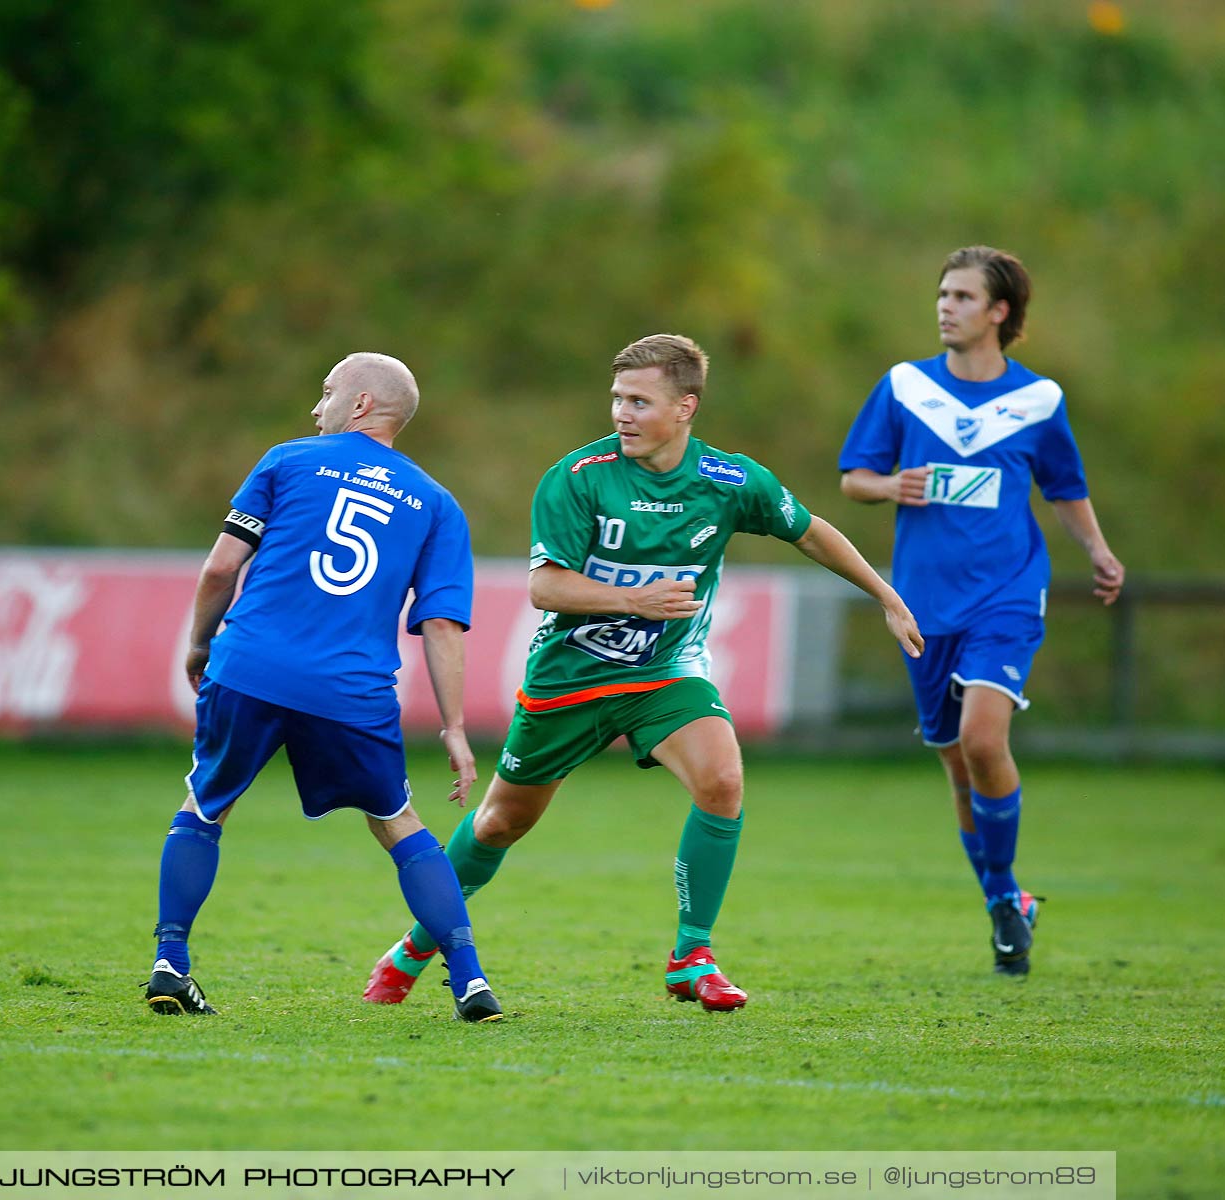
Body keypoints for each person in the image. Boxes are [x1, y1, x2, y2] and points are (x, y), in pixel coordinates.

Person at [361, 333, 924, 1012]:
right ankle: (417, 946)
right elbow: (547, 588)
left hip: (665, 672)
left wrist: (886, 595)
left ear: (686, 407)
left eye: (639, 400)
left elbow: (809, 530)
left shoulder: (729, 480)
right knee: (499, 824)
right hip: (570, 680)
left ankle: (693, 955)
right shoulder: (578, 477)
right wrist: (636, 599)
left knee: (722, 779)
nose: (621, 413)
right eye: (617, 398)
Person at [143, 352, 503, 1022]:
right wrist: (454, 729)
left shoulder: (288, 459)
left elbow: (222, 567)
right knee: (398, 823)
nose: (318, 406)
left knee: (204, 805)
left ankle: (171, 961)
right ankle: (470, 979)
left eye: (329, 390)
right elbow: (443, 625)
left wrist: (199, 644)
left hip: (250, 665)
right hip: (351, 688)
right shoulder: (436, 504)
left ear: (363, 404)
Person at [838, 245, 1125, 976]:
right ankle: (1005, 899)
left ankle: (1002, 899)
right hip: (924, 605)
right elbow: (853, 480)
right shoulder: (905, 387)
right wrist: (891, 485)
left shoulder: (1038, 401)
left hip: (1007, 593)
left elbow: (1063, 486)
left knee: (983, 738)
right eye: (941, 293)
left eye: (962, 296)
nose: (945, 306)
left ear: (1000, 312)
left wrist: (1096, 549)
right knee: (958, 765)